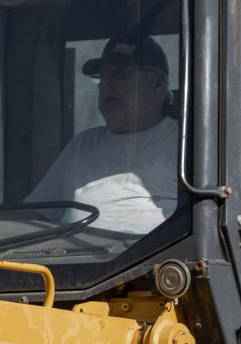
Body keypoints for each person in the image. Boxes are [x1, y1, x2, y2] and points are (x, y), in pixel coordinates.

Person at [24, 34, 179, 236]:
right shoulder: (83, 145)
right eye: (102, 76)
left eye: (121, 73)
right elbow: (35, 215)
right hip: (74, 263)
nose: (107, 84)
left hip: (158, 264)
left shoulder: (187, 145)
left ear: (158, 84)